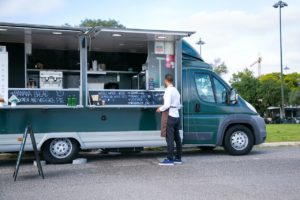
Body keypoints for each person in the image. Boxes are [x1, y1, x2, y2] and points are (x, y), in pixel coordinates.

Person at [156, 74, 182, 165]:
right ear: (172, 80)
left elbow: (166, 105)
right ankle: (178, 158)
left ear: (165, 80)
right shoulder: (176, 91)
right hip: (176, 116)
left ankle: (169, 159)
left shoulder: (168, 90)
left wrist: (160, 109)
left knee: (169, 138)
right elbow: (179, 105)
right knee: (177, 137)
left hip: (170, 116)